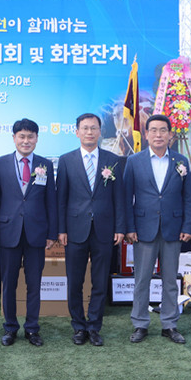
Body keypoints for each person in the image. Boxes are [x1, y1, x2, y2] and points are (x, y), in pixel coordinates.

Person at [123, 114, 191, 344]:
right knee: (141, 279)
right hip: (143, 229)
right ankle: (140, 324)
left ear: (170, 135)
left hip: (173, 229)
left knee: (170, 280)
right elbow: (126, 198)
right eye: (153, 130)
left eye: (163, 130)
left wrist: (188, 225)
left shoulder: (181, 161)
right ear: (146, 135)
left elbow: (189, 197)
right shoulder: (134, 161)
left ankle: (169, 324)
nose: (158, 134)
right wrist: (129, 227)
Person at [56, 113, 125, 347]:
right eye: (85, 128)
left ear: (100, 132)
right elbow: (61, 198)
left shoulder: (112, 160)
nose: (89, 132)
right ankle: (78, 326)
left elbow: (119, 197)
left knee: (99, 280)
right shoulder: (66, 160)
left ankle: (94, 326)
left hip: (104, 229)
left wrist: (120, 227)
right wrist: (61, 229)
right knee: (74, 281)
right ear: (77, 132)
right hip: (74, 229)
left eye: (93, 128)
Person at [0, 118, 57, 347]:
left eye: (31, 136)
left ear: (37, 139)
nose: (26, 141)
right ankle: (10, 328)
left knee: (34, 284)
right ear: (14, 138)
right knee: (8, 283)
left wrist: (52, 233)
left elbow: (51, 201)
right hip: (7, 232)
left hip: (36, 233)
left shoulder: (45, 165)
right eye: (22, 136)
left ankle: (32, 328)